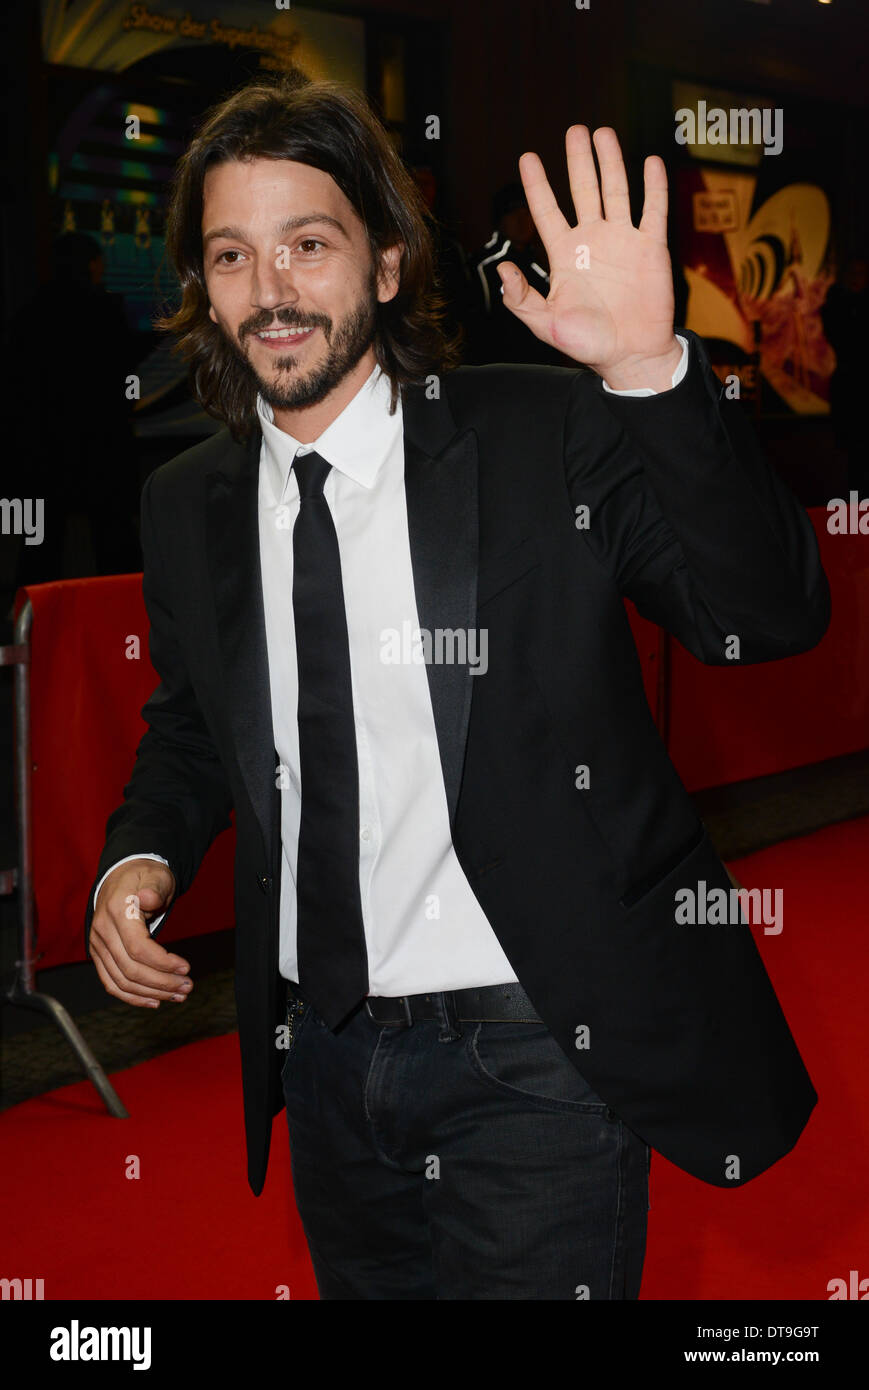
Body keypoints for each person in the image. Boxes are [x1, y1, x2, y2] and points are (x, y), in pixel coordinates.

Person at [84, 76, 829, 1301]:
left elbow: (764, 618)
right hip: (320, 1053)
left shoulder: (541, 436)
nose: (269, 290)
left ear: (384, 264)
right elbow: (195, 728)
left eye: (306, 245)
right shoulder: (187, 503)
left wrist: (650, 370)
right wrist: (138, 857)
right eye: (231, 255)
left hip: (534, 1046)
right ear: (201, 289)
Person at [464, 181, 567, 366]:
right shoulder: (484, 264)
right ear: (500, 219)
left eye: (527, 213)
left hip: (544, 367)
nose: (522, 220)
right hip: (501, 368)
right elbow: (479, 326)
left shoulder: (540, 260)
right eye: (513, 213)